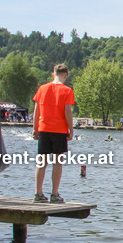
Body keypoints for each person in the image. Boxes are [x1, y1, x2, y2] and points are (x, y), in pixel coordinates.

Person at [32, 63, 75, 203]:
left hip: (44, 128)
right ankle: (54, 194)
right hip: (59, 129)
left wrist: (35, 128)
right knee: (57, 162)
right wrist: (71, 129)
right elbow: (67, 111)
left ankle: (38, 194)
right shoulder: (67, 91)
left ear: (53, 74)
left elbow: (36, 110)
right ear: (65, 75)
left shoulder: (42, 88)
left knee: (41, 162)